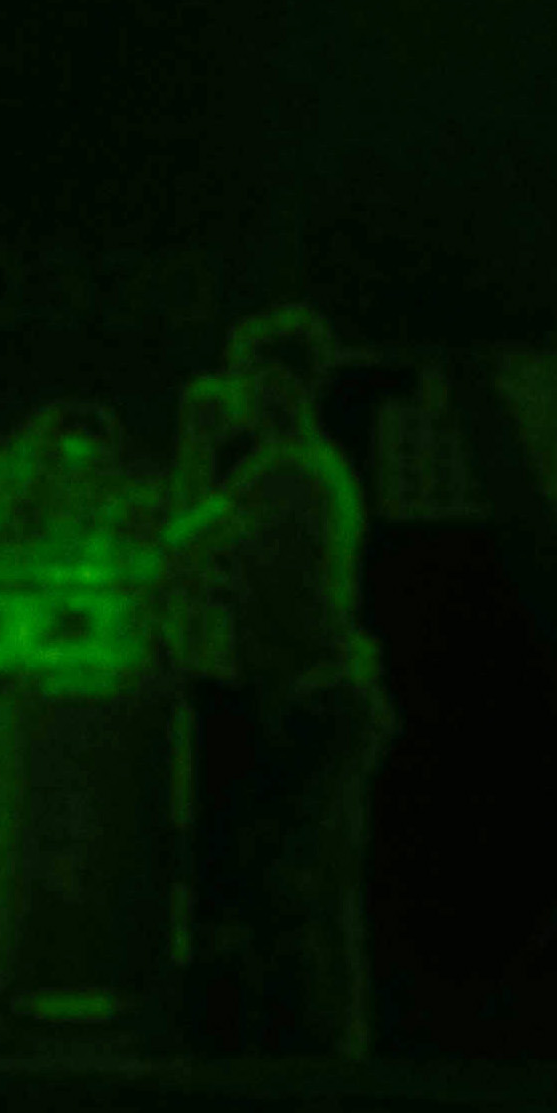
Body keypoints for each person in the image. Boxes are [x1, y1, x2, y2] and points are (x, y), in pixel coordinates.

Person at [165, 303, 390, 1056]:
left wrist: (195, 441)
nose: (230, 391)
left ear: (276, 383)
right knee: (321, 896)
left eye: (242, 375)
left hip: (313, 707)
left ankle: (320, 1061)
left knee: (300, 892)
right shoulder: (319, 469)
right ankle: (335, 1053)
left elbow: (178, 546)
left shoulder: (282, 470)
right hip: (329, 702)